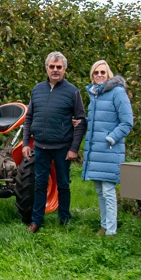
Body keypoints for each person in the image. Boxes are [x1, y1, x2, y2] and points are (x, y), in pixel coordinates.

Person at [22, 51, 86, 233]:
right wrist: (26, 143)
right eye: (52, 67)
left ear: (64, 69)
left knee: (63, 184)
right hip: (40, 146)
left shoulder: (72, 92)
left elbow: (80, 121)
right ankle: (36, 221)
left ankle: (64, 219)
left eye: (59, 67)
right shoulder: (37, 89)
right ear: (46, 68)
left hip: (62, 148)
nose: (55, 70)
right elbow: (29, 118)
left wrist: (74, 148)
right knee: (40, 184)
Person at [81, 59, 133, 237]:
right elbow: (99, 121)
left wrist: (111, 138)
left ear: (108, 74)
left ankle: (111, 231)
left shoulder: (117, 93)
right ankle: (104, 226)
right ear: (92, 76)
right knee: (99, 191)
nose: (99, 75)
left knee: (108, 191)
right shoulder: (95, 95)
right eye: (96, 72)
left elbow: (127, 122)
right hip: (96, 151)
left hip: (109, 150)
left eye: (103, 72)